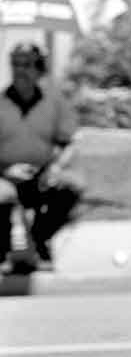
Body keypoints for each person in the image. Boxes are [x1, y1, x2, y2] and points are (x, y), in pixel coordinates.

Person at [0, 42, 85, 273]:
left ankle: (39, 239)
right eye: (15, 64)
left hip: (42, 175)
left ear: (39, 69)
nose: (20, 70)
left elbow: (70, 144)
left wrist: (56, 167)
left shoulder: (54, 103)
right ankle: (4, 249)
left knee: (73, 185)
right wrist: (6, 172)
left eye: (27, 64)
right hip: (5, 177)